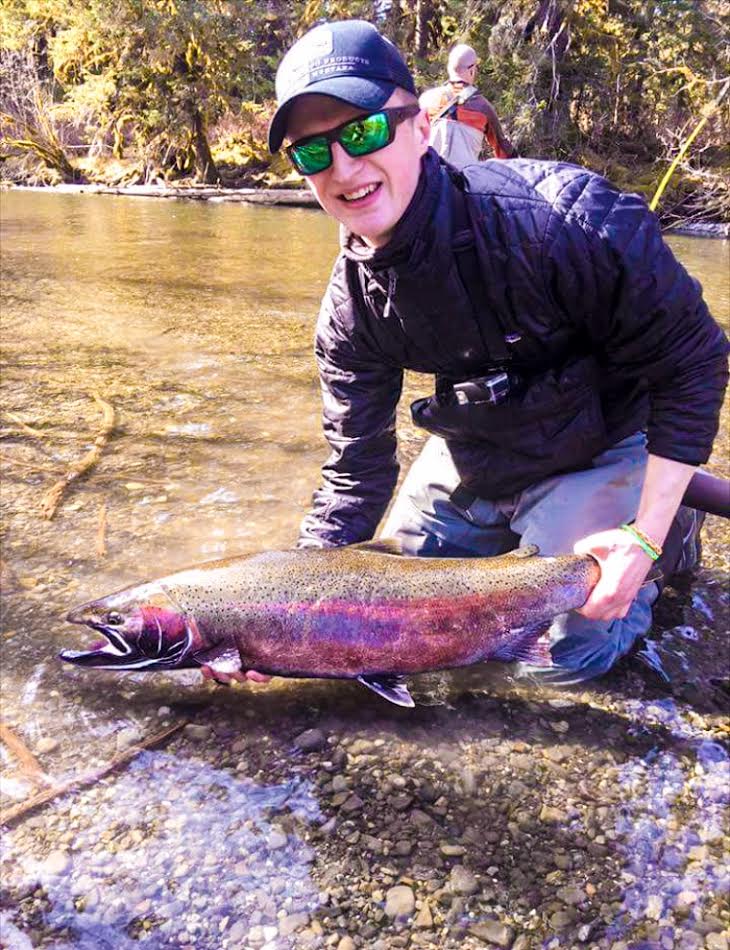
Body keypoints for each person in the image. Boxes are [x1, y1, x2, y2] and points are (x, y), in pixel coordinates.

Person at [215, 19, 728, 689]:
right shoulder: (350, 311)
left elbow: (694, 360)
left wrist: (643, 538)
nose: (342, 168)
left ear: (420, 126)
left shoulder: (567, 222)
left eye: (363, 132)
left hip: (605, 437)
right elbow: (354, 473)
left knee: (563, 662)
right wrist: (287, 614)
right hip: (476, 447)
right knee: (387, 629)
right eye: (312, 153)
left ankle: (673, 524)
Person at [419, 43, 516, 167]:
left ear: (449, 68)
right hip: (464, 182)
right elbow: (504, 152)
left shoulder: (426, 100)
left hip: (431, 180)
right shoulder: (483, 108)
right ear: (471, 70)